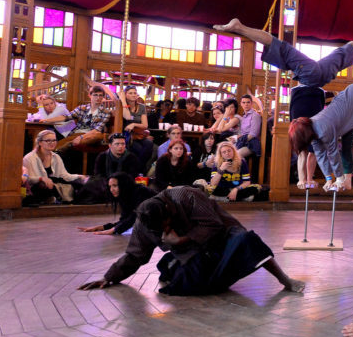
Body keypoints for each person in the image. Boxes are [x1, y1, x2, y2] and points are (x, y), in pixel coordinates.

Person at [215, 18, 353, 189]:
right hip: (314, 77)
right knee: (289, 49)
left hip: (315, 77)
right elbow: (314, 155)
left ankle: (241, 27)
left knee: (335, 54)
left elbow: (309, 155)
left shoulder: (307, 130)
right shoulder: (312, 130)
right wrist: (312, 180)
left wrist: (305, 181)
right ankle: (240, 26)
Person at [78, 186, 304, 295]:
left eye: (166, 224)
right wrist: (109, 277)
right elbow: (135, 254)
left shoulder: (185, 196)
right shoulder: (144, 222)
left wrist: (181, 240)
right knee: (193, 286)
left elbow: (214, 225)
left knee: (248, 240)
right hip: (193, 255)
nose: (165, 230)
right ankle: (186, 270)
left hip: (223, 238)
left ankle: (285, 280)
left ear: (168, 209)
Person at [79, 172, 157, 235]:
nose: (111, 189)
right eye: (110, 186)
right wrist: (104, 227)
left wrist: (115, 230)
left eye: (115, 186)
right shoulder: (124, 196)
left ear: (124, 185)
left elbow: (135, 217)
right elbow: (124, 220)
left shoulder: (141, 192)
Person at [22, 129, 86, 204]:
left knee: (81, 182)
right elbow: (27, 179)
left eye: (54, 140)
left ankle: (58, 199)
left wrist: (79, 176)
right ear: (40, 142)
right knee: (43, 186)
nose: (52, 143)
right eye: (48, 140)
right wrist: (41, 178)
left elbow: (65, 175)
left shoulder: (56, 157)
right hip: (37, 187)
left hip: (55, 185)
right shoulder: (29, 158)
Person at [57, 81, 114, 151]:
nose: (98, 97)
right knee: (57, 129)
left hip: (90, 135)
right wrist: (47, 120)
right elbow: (67, 117)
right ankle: (60, 148)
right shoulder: (82, 108)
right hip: (77, 132)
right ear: (90, 96)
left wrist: (81, 137)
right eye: (95, 95)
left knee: (97, 135)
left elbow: (97, 129)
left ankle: (67, 145)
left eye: (100, 95)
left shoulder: (106, 112)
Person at [116, 85, 154, 167]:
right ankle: (138, 169)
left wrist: (133, 124)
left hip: (138, 133)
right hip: (127, 134)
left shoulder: (141, 107)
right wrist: (123, 100)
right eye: (130, 93)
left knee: (149, 144)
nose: (133, 95)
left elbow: (145, 125)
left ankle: (139, 169)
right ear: (125, 95)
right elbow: (128, 117)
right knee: (139, 149)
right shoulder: (121, 106)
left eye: (135, 93)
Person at [235, 94, 263, 160]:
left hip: (252, 143)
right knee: (225, 150)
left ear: (251, 103)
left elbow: (253, 134)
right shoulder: (244, 116)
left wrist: (240, 140)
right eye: (243, 102)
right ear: (241, 104)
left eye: (248, 102)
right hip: (243, 141)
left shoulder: (255, 115)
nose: (246, 104)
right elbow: (242, 132)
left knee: (235, 155)